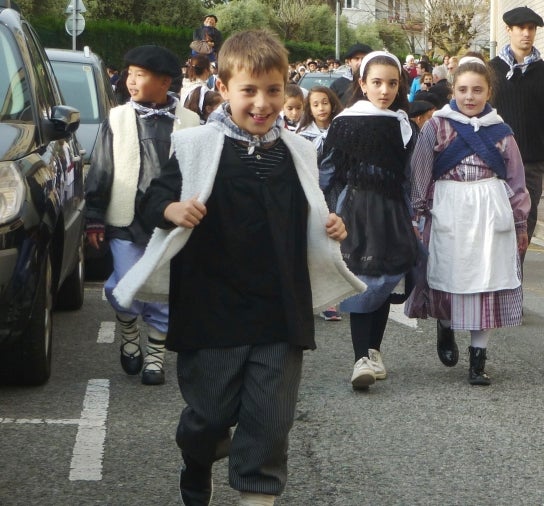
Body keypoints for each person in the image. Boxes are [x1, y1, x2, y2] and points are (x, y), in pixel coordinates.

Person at [110, 30, 365, 506]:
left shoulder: (298, 152)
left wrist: (330, 225)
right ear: (224, 89)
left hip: (280, 308)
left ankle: (257, 492)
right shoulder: (195, 146)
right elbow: (152, 201)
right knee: (208, 416)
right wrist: (172, 211)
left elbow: (313, 210)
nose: (262, 103)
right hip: (211, 307)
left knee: (270, 420)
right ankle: (199, 456)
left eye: (273, 90)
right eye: (249, 90)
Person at [407, 55, 530, 385]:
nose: (470, 96)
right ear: (453, 92)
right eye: (463, 89)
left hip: (490, 211)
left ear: (489, 91)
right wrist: (417, 216)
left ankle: (479, 360)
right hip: (449, 207)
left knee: (486, 281)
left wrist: (519, 222)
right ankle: (445, 328)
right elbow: (420, 172)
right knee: (448, 273)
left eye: (477, 89)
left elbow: (517, 180)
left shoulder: (502, 132)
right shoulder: (436, 126)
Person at [85, 45, 201, 386]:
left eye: (140, 75)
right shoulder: (118, 118)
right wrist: (94, 215)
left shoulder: (190, 121)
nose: (130, 81)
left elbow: (200, 170)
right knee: (124, 286)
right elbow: (102, 167)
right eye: (129, 73)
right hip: (126, 217)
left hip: (169, 219)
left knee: (163, 289)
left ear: (165, 82)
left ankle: (155, 355)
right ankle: (128, 326)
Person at [320, 50, 419, 390]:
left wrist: (414, 213)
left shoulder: (403, 124)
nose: (384, 90)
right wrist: (328, 212)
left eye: (392, 83)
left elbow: (409, 174)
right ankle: (361, 356)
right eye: (376, 82)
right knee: (363, 280)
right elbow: (328, 171)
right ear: (362, 83)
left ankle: (373, 352)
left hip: (392, 211)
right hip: (356, 210)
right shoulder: (346, 121)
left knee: (385, 279)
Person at [489, 6, 544, 256]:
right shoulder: (491, 69)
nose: (526, 33)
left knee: (523, 228)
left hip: (532, 162)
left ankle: (514, 286)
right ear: (509, 30)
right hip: (495, 160)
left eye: (531, 29)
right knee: (493, 227)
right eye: (521, 28)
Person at [298, 85, 345, 321]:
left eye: (324, 102)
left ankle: (331, 301)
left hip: (336, 192)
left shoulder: (342, 129)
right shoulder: (302, 134)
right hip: (310, 193)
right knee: (311, 243)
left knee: (333, 243)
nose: (321, 108)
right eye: (315, 104)